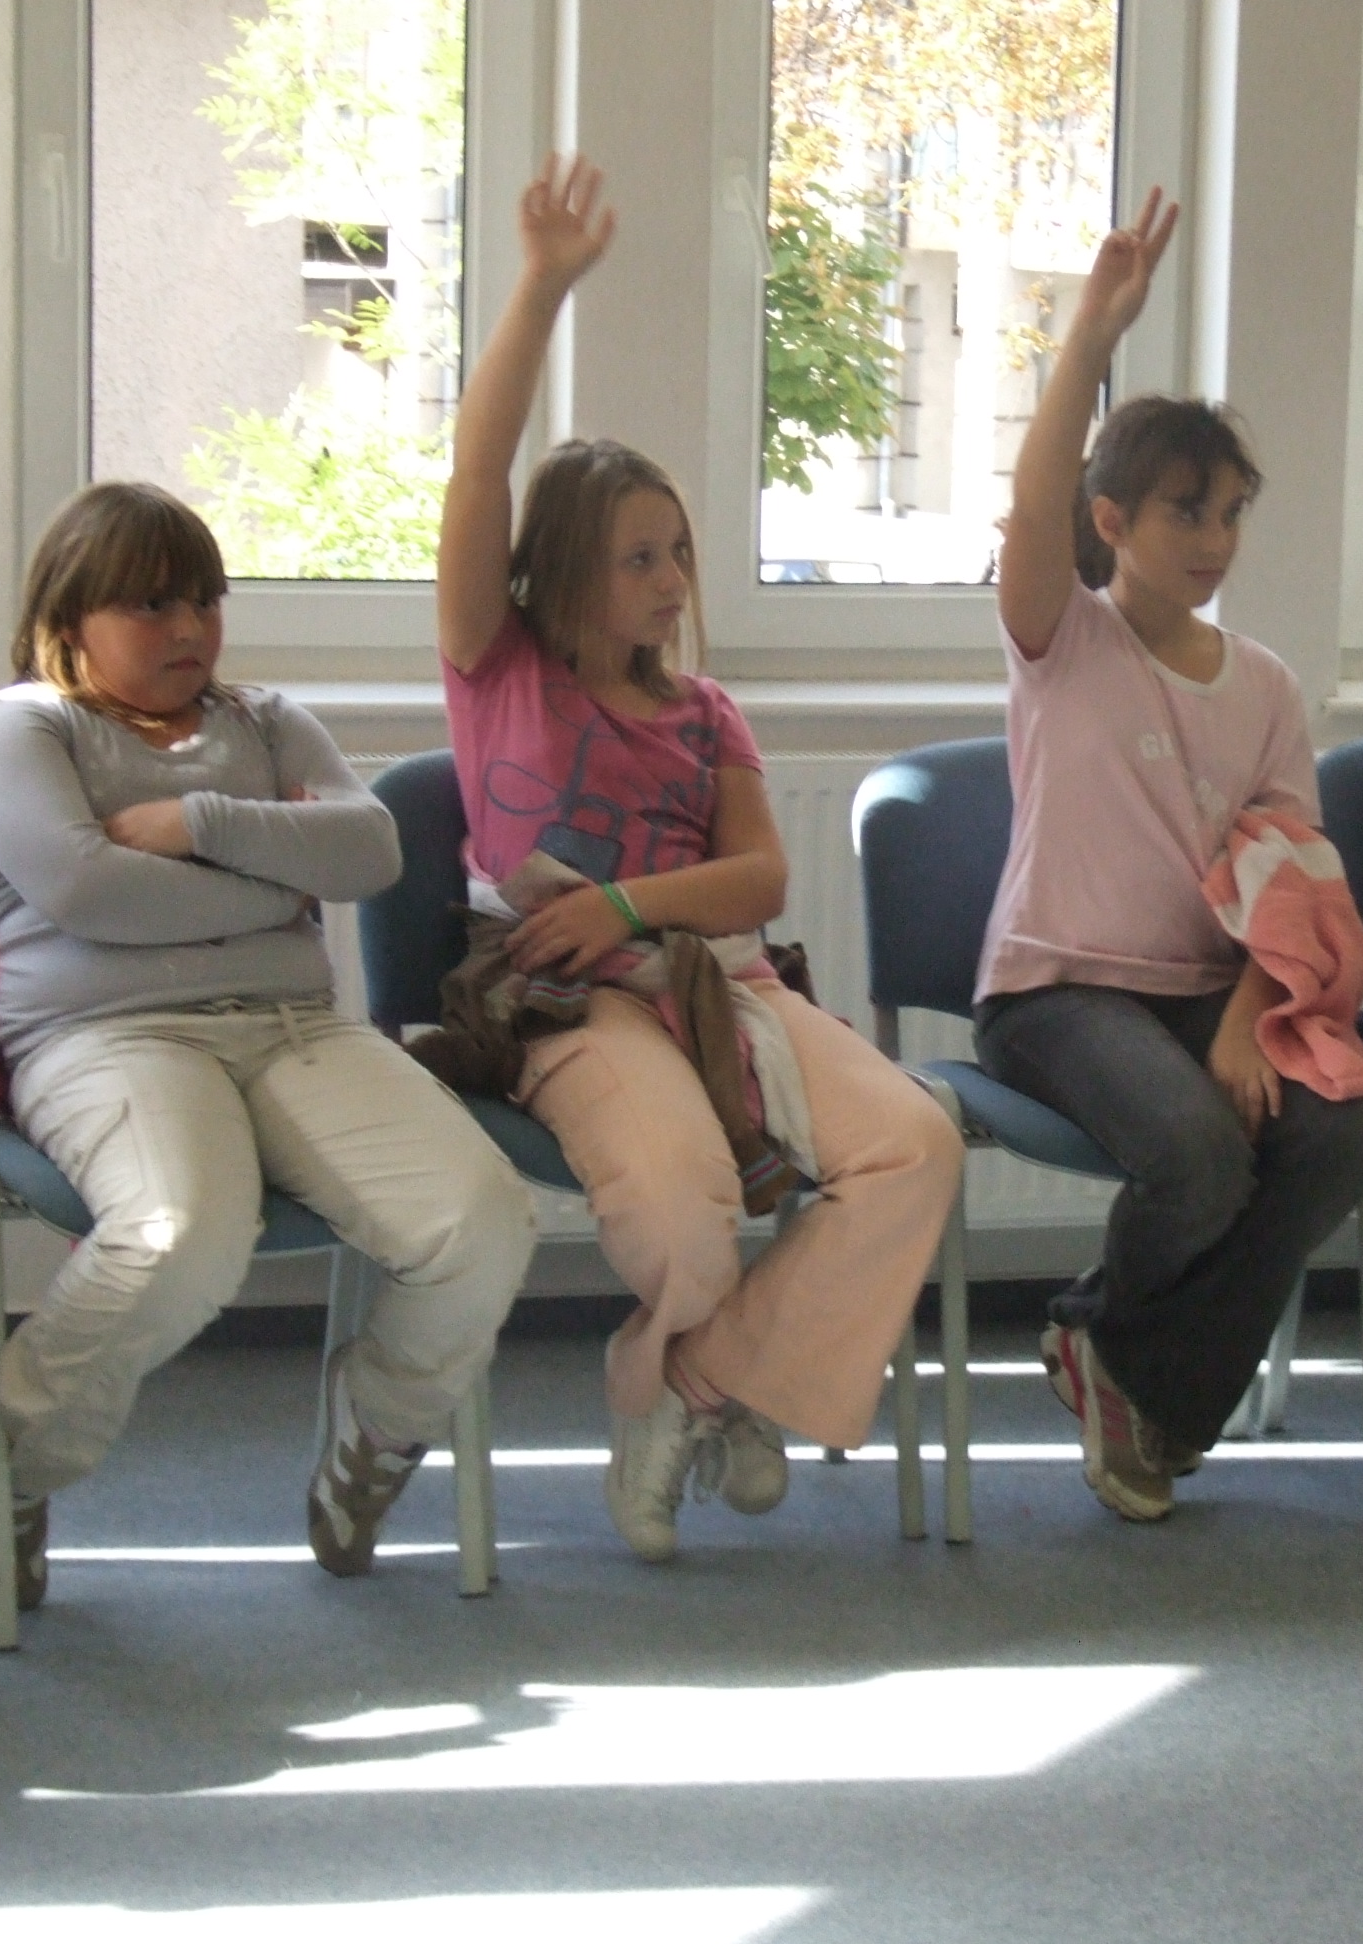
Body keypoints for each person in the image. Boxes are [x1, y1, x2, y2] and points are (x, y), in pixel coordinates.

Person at [436, 155, 960, 1562]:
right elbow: (477, 471)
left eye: (678, 552)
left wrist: (620, 900)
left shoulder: (705, 710)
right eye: (638, 559)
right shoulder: (498, 665)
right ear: (561, 570)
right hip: (570, 1003)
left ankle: (693, 1385)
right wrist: (541, 286)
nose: (673, 581)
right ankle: (721, 1376)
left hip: (720, 981)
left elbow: (758, 882)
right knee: (684, 1214)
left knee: (916, 1144)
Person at [0, 481, 537, 1613]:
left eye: (206, 601)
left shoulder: (264, 721)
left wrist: (196, 824)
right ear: (70, 616)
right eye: (152, 605)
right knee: (181, 1235)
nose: (190, 629)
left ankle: (377, 1426)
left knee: (482, 1216)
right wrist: (275, 882)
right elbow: (86, 891)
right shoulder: (18, 727)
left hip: (294, 1027)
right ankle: (10, 1446)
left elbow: (368, 852)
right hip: (106, 1034)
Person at [972, 189, 1363, 1523]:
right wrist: (1093, 335)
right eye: (1182, 513)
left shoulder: (1263, 683)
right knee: (1201, 1153)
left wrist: (1253, 1013)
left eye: (1228, 515)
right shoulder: (1063, 637)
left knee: (1346, 1133)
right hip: (1059, 994)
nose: (1211, 541)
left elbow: (1292, 873)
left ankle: (1121, 1366)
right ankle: (1137, 1375)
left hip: (1212, 991)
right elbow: (1034, 498)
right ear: (1111, 521)